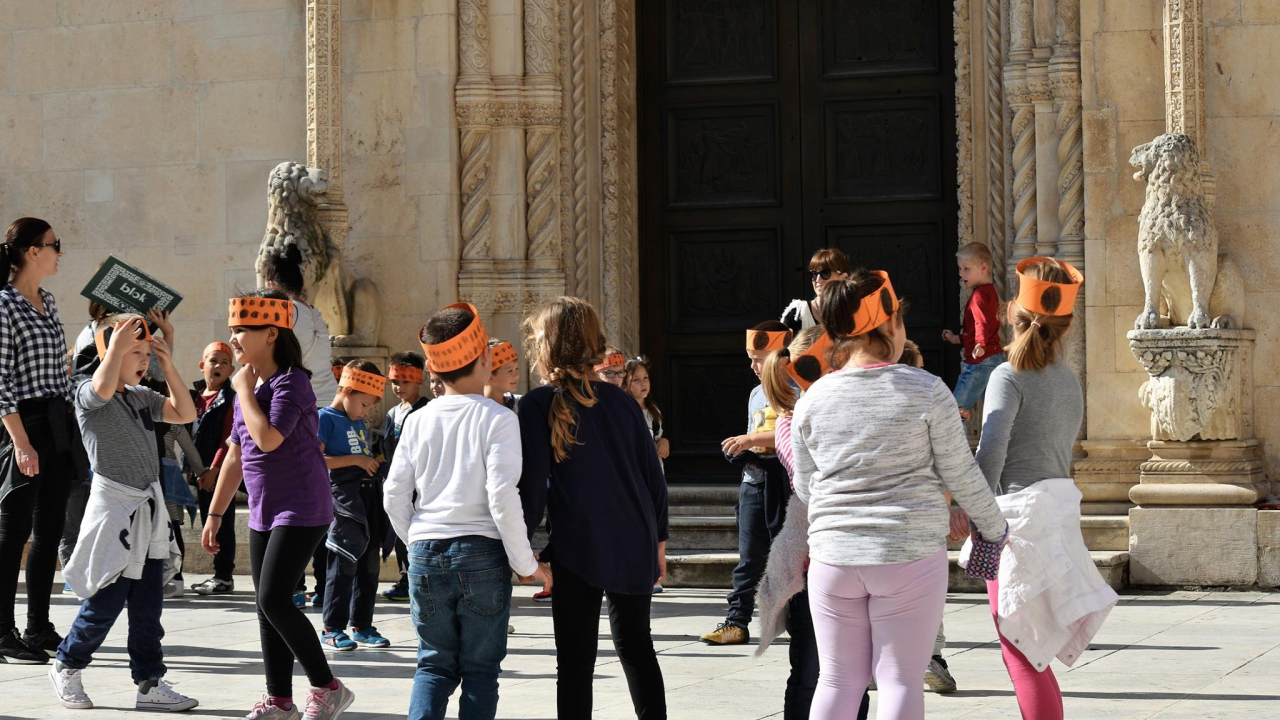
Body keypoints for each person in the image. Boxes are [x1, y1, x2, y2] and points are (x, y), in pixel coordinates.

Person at [791, 270, 1009, 720]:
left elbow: (806, 487)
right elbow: (961, 473)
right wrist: (994, 528)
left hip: (833, 556)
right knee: (900, 680)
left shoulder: (812, 399)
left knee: (837, 680)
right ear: (891, 324)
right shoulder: (926, 390)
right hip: (908, 555)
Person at [959, 257, 1116, 720]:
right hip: (1057, 513)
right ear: (1066, 325)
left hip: (1015, 520)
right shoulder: (1067, 379)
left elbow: (992, 452)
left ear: (1012, 311)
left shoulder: (1007, 375)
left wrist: (972, 511)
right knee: (1033, 653)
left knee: (1022, 654)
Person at [384, 303, 550, 720]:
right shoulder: (498, 418)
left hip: (426, 552)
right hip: (481, 554)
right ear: (485, 359)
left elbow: (394, 494)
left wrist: (416, 541)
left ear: (433, 369)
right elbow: (502, 497)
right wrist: (525, 563)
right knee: (479, 671)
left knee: (433, 665)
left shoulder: (418, 420)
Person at [201, 290, 353, 720]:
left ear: (270, 334)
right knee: (266, 606)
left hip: (302, 507)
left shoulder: (292, 382)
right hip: (264, 510)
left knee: (274, 599)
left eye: (241, 331)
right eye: (232, 330)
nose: (233, 339)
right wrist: (215, 514)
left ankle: (328, 687)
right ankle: (279, 701)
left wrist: (243, 392)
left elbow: (268, 439)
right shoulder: (249, 388)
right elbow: (235, 456)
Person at [518, 297, 669, 720]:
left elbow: (532, 487)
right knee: (637, 647)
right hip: (634, 537)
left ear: (548, 346)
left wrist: (521, 547)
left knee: (575, 661)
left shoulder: (537, 404)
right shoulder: (622, 401)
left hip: (578, 545)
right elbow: (653, 478)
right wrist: (659, 541)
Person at [51, 315, 199, 711]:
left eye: (146, 353)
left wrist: (168, 365)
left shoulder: (141, 396)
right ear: (110, 353)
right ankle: (67, 665)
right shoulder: (86, 392)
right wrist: (114, 349)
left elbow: (184, 413)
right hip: (115, 512)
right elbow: (101, 387)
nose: (143, 360)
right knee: (106, 601)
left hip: (146, 515)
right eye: (135, 352)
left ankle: (149, 684)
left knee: (149, 607)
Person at [752, 327, 869, 720]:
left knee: (853, 671)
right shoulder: (793, 421)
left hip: (851, 556)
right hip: (813, 562)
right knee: (811, 670)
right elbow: (811, 483)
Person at [0, 217, 88, 664]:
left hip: (57, 422)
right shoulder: (3, 305)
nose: (60, 252)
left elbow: (60, 371)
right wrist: (20, 441)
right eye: (55, 244)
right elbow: (1, 382)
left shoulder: (48, 301)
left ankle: (37, 627)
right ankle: (2, 631)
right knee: (12, 532)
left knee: (49, 530)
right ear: (33, 251)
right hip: (24, 424)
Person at [702, 321, 792, 645]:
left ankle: (799, 623)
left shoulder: (797, 389)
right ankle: (736, 621)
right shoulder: (756, 394)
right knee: (749, 559)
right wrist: (742, 450)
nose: (753, 366)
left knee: (789, 558)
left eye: (759, 359)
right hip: (753, 481)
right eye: (751, 359)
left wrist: (752, 439)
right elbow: (754, 435)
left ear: (781, 357)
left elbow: (794, 432)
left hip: (786, 485)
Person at [259, 251, 337, 608]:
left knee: (290, 495)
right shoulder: (314, 313)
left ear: (270, 282)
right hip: (325, 408)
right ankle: (321, 584)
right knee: (318, 497)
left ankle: (291, 585)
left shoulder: (284, 314)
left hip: (298, 408)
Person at [319, 361, 390, 652]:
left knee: (369, 562)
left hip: (367, 496)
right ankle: (332, 628)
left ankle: (362, 624)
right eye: (363, 404)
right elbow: (315, 460)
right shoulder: (324, 418)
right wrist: (357, 461)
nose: (365, 412)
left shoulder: (357, 420)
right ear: (347, 391)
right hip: (343, 499)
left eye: (369, 407)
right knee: (344, 560)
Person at [376, 352, 429, 603]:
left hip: (421, 483)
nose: (399, 387)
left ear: (419, 380)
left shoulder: (427, 410)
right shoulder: (392, 413)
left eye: (405, 381)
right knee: (399, 532)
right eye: (395, 382)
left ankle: (417, 578)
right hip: (398, 482)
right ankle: (406, 577)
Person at [189, 342, 238, 595]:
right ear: (202, 365)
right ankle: (219, 573)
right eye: (213, 361)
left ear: (231, 370)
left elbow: (228, 439)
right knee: (208, 519)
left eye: (224, 362)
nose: (218, 366)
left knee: (222, 522)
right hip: (200, 472)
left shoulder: (230, 399)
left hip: (218, 472)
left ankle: (223, 576)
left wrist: (214, 469)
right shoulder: (193, 397)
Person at [942, 242, 1005, 420]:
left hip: (980, 362)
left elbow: (981, 323)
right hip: (994, 357)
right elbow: (980, 327)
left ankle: (955, 440)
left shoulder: (978, 295)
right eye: (960, 269)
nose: (961, 274)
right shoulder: (990, 291)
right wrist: (956, 338)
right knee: (996, 412)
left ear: (983, 268)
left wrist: (980, 344)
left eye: (966, 269)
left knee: (954, 412)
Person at [780, 248, 851, 333]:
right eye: (814, 274)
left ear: (843, 277)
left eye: (825, 273)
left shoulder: (855, 312)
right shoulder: (797, 314)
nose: (818, 280)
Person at [483, 338, 523, 411]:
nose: (516, 375)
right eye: (510, 371)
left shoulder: (521, 404)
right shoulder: (477, 408)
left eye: (517, 368)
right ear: (490, 377)